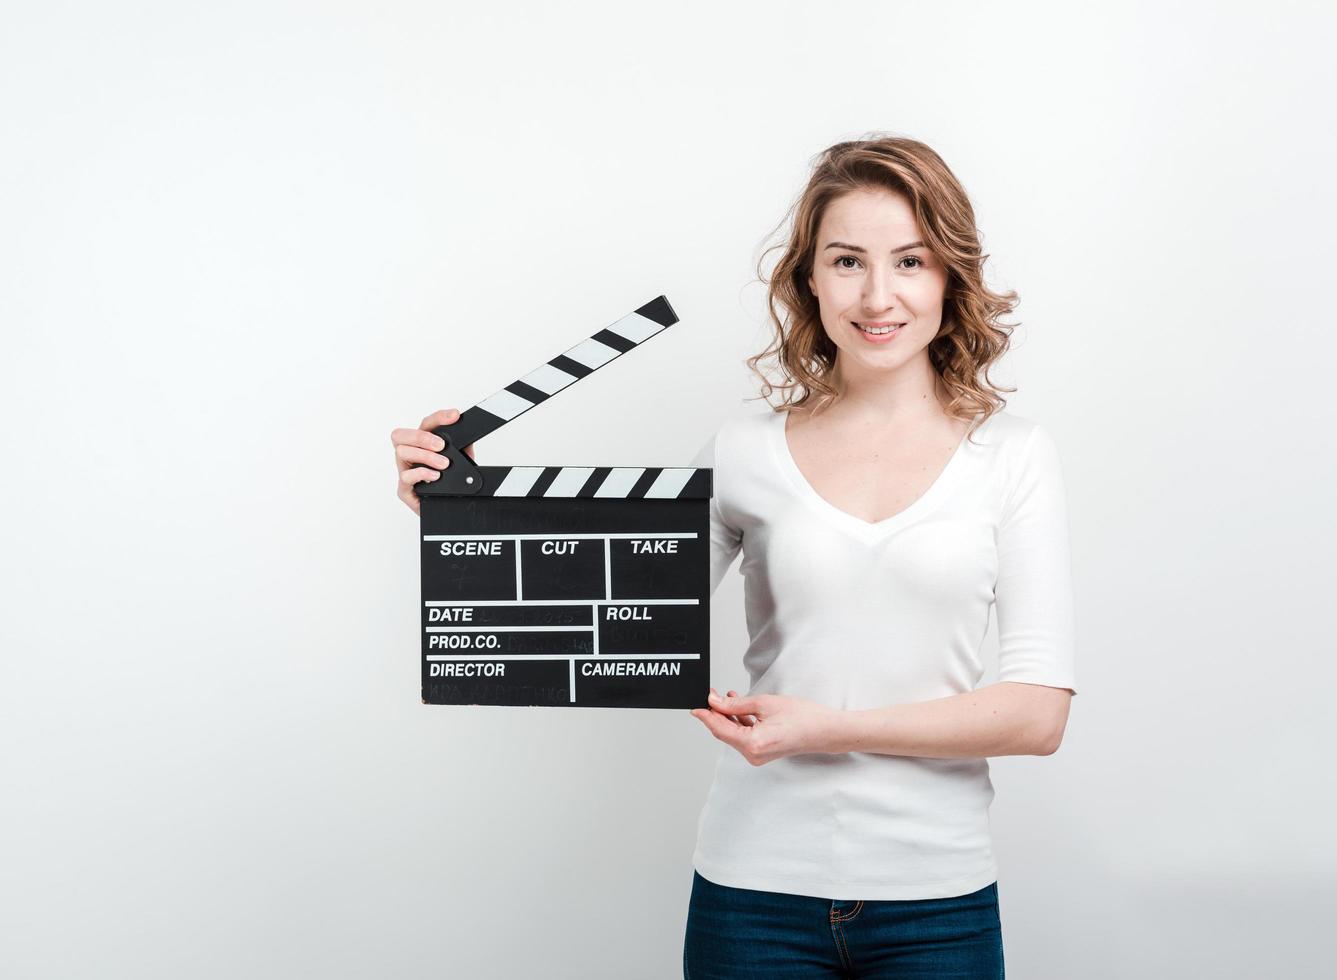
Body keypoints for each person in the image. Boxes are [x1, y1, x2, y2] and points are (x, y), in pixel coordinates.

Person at [390, 134, 1076, 979]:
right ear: (809, 279)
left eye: (910, 260)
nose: (877, 293)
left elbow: (1037, 714)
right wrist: (457, 510)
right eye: (846, 260)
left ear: (948, 276)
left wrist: (830, 728)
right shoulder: (745, 448)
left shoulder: (1011, 454)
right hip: (752, 894)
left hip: (938, 900)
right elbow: (604, 598)